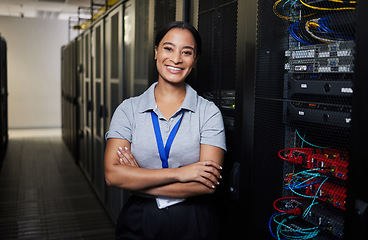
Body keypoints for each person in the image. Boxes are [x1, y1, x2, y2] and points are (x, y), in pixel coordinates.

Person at [104, 21, 226, 240]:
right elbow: (113, 175)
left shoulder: (209, 113)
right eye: (168, 48)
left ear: (195, 60)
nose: (176, 59)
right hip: (140, 220)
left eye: (186, 52)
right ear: (156, 52)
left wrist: (140, 182)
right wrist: (180, 173)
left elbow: (208, 184)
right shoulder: (128, 110)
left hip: (194, 221)